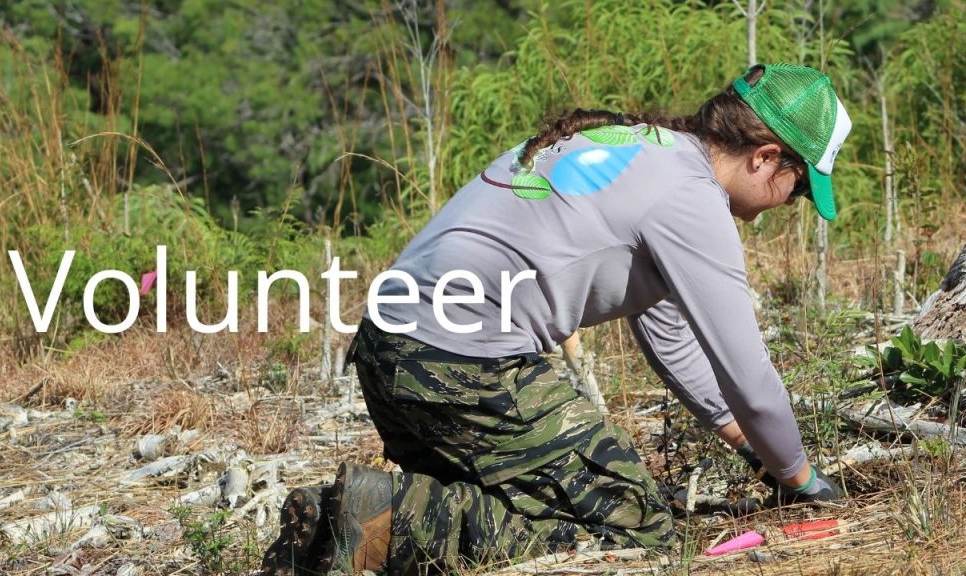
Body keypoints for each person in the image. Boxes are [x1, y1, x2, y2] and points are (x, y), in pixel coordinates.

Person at [262, 62, 850, 576]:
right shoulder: (690, 199)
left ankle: (357, 527)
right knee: (639, 525)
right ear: (767, 157)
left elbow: (673, 341)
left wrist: (756, 452)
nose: (786, 206)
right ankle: (369, 516)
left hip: (390, 350)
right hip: (462, 366)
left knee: (505, 502)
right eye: (798, 189)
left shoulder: (640, 146)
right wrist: (801, 480)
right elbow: (751, 380)